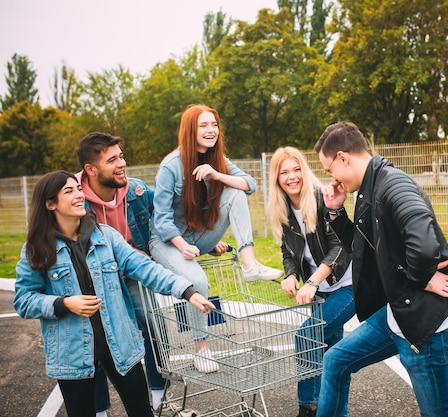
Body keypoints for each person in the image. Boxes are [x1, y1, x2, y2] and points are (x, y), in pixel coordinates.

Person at [13, 170, 216, 417]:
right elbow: (23, 300)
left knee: (141, 412)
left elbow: (145, 268)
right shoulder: (36, 249)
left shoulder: (106, 237)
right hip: (72, 354)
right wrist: (64, 303)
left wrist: (187, 291)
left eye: (78, 188)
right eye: (69, 191)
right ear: (50, 204)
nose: (78, 195)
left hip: (120, 345)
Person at [313, 121, 448, 417]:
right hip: (397, 314)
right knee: (335, 361)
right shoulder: (369, 189)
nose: (331, 178)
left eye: (328, 169)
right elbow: (365, 247)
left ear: (343, 158)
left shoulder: (394, 185)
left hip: (427, 328)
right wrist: (335, 212)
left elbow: (424, 246)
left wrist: (420, 276)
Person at [77, 132, 225, 415]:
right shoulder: (75, 200)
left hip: (135, 275)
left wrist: (201, 243)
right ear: (91, 170)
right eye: (112, 160)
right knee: (94, 342)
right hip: (97, 280)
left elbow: (170, 225)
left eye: (121, 156)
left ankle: (158, 398)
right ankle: (98, 410)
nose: (122, 163)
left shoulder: (137, 191)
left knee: (153, 327)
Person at [150, 104, 283, 372]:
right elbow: (161, 219)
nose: (211, 130)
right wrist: (181, 245)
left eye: (214, 125)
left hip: (200, 236)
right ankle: (202, 349)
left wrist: (216, 173)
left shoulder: (217, 159)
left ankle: (250, 265)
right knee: (197, 281)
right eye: (204, 125)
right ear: (190, 130)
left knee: (235, 192)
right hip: (168, 242)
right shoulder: (171, 166)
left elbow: (250, 184)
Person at [268, 147, 355, 417]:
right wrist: (292, 275)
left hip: (348, 285)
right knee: (332, 353)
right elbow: (289, 252)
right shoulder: (281, 208)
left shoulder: (321, 198)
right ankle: (337, 412)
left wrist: (313, 282)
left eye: (296, 169)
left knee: (307, 335)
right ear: (276, 178)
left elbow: (340, 246)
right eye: (284, 172)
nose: (292, 177)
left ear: (304, 171)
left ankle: (308, 407)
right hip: (319, 291)